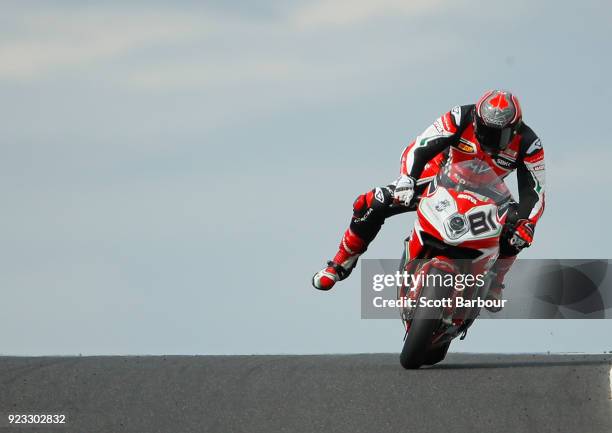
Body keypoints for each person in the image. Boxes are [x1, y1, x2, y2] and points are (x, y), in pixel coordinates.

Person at [312, 90, 545, 307]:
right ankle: (339, 264)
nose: (490, 138)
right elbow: (420, 146)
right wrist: (407, 179)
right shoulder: (460, 116)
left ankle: (495, 280)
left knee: (519, 229)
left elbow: (535, 191)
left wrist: (528, 223)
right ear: (476, 119)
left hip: (487, 193)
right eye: (484, 129)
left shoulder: (529, 143)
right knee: (373, 201)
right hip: (439, 179)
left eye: (499, 134)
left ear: (515, 129)